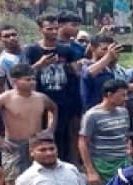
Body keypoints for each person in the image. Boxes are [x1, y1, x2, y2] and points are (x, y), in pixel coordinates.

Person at [78, 78, 130, 185]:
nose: (125, 98)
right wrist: (90, 170)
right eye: (122, 95)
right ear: (109, 95)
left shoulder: (123, 112)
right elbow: (83, 142)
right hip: (101, 163)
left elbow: (125, 137)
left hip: (121, 163)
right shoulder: (92, 115)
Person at [23, 15, 81, 162]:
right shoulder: (31, 50)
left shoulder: (66, 50)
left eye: (56, 28)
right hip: (39, 101)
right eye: (49, 29)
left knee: (62, 136)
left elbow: (77, 73)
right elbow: (23, 74)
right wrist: (39, 64)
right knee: (40, 136)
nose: (54, 32)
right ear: (40, 30)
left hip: (63, 100)